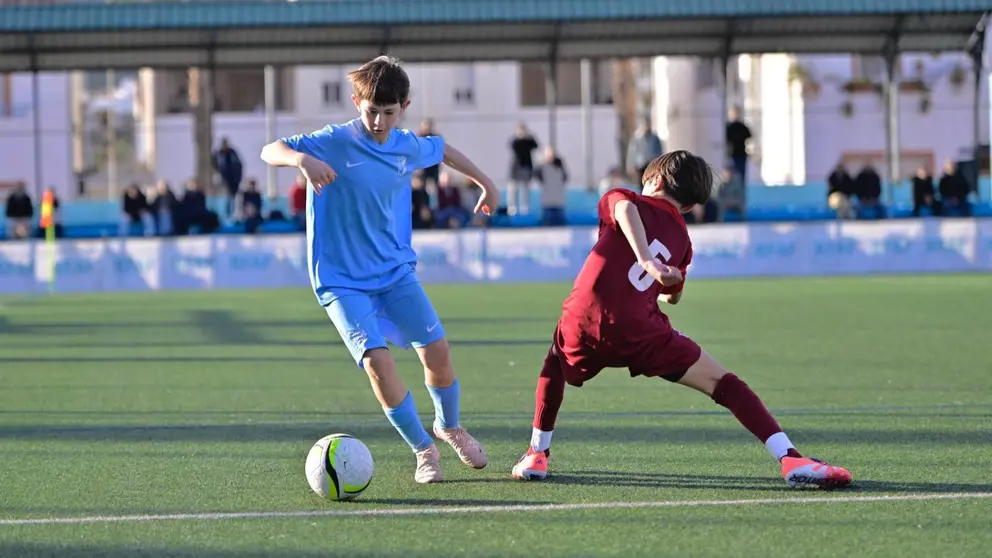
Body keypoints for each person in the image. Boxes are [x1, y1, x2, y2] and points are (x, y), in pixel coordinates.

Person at [510, 151, 852, 490]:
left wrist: (646, 262)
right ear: (687, 206)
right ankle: (789, 457)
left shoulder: (624, 198)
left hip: (585, 320)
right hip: (642, 332)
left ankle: (537, 454)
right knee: (724, 383)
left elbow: (625, 209)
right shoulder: (682, 240)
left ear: (655, 180)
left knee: (555, 361)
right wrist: (664, 276)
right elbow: (671, 294)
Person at [260, 55, 499, 484]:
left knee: (439, 355)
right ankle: (424, 450)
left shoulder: (406, 144)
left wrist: (486, 182)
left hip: (394, 274)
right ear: (356, 102)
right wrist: (299, 161)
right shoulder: (332, 140)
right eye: (371, 111)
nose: (378, 121)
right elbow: (268, 149)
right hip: (340, 281)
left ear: (403, 107)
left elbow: (443, 150)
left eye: (388, 112)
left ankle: (449, 427)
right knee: (378, 364)